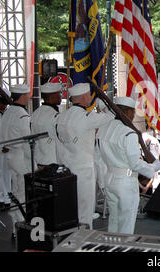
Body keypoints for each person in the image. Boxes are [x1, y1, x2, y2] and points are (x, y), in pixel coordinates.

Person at [96, 96, 160, 234]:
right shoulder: (128, 133)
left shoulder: (103, 130)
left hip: (109, 178)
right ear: (126, 112)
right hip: (125, 182)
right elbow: (135, 164)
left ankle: (112, 247)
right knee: (126, 222)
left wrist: (102, 181)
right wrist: (154, 167)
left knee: (114, 220)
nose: (133, 115)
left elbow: (98, 158)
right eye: (132, 112)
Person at [55, 83, 114, 229]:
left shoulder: (62, 117)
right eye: (89, 95)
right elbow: (112, 115)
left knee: (71, 207)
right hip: (84, 169)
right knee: (85, 209)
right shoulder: (87, 117)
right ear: (82, 97)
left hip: (66, 168)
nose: (90, 98)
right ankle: (83, 240)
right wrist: (102, 102)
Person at [1, 84, 33, 237]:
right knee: (22, 194)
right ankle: (21, 226)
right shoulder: (22, 115)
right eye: (27, 95)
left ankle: (15, 225)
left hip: (10, 156)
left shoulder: (8, 112)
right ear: (22, 96)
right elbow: (27, 143)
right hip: (21, 158)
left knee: (15, 193)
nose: (29, 98)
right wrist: (33, 166)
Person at [30, 82, 62, 169]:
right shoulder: (54, 115)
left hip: (39, 160)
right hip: (54, 161)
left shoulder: (35, 113)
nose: (60, 97)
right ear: (51, 97)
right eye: (58, 94)